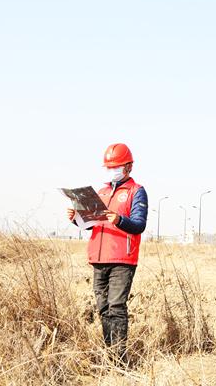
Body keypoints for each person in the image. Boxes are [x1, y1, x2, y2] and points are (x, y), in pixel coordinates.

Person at [67, 143, 148, 364]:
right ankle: (110, 354)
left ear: (128, 166)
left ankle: (120, 359)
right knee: (103, 308)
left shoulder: (136, 191)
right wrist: (76, 218)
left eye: (116, 166)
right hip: (98, 258)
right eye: (109, 167)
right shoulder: (101, 192)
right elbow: (92, 224)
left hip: (122, 258)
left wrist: (119, 219)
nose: (112, 170)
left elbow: (139, 224)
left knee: (116, 306)